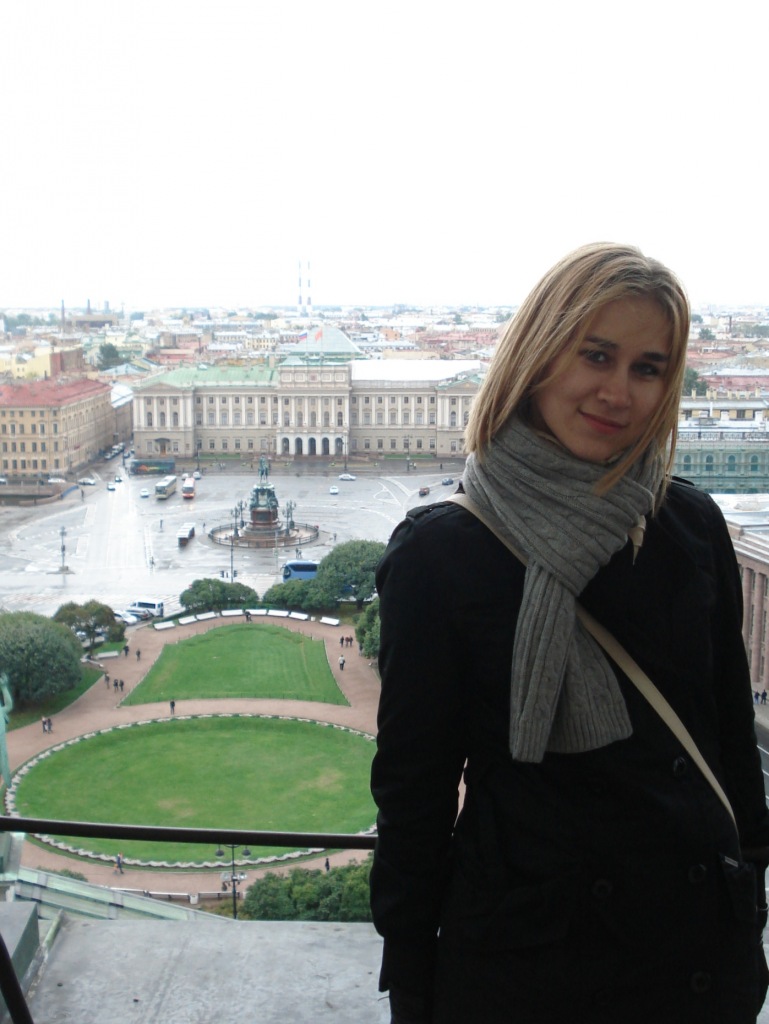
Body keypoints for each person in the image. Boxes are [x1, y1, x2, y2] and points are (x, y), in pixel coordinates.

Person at [370, 243, 769, 1024]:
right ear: (537, 353)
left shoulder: (689, 524)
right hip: (529, 964)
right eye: (595, 354)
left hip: (692, 954)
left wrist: (746, 900)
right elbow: (414, 794)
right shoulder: (441, 553)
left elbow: (725, 738)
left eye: (647, 368)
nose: (616, 391)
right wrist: (411, 976)